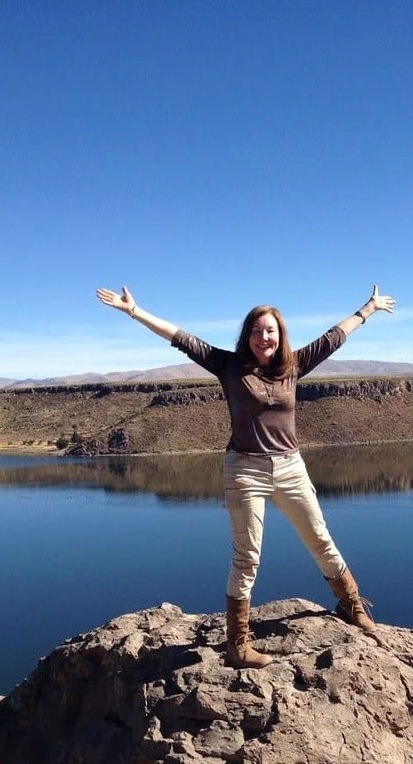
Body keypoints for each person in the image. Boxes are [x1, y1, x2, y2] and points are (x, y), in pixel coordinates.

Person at [96, 284, 396, 668]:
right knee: (247, 555)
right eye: (256, 331)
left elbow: (334, 337)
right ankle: (238, 645)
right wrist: (134, 311)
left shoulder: (294, 365)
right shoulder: (229, 366)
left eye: (270, 330)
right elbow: (180, 337)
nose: (263, 337)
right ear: (247, 335)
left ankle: (350, 604)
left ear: (279, 335)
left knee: (319, 538)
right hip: (245, 469)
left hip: (290, 467)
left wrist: (368, 308)